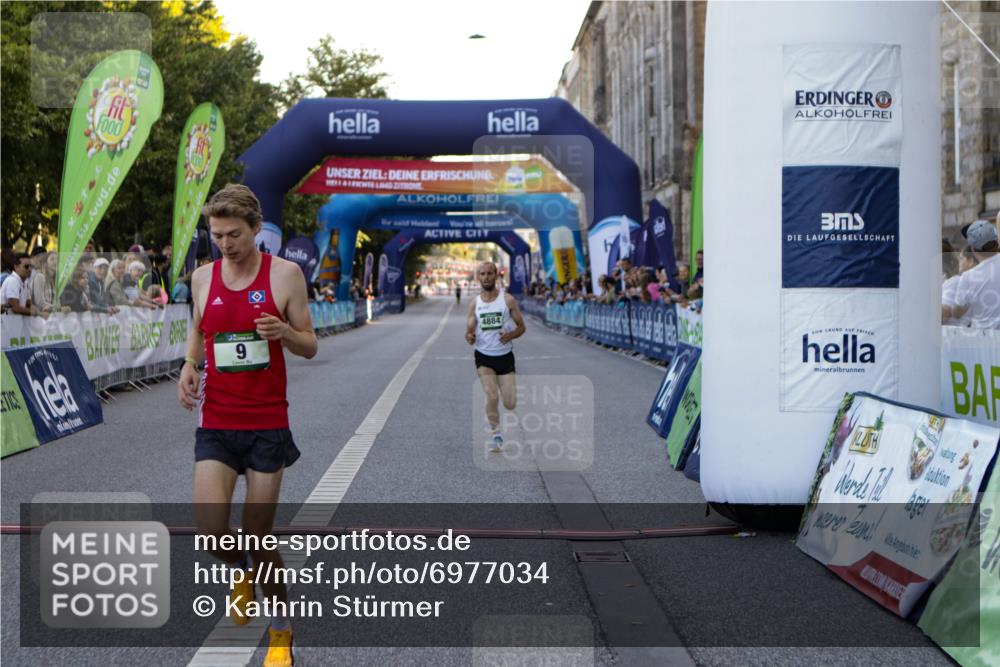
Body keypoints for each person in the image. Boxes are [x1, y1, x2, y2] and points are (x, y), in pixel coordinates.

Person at [177, 184, 316, 667]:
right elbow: (199, 326)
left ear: (257, 229)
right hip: (216, 420)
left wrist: (286, 334)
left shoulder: (286, 275)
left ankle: (280, 631)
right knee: (212, 532)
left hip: (266, 423)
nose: (225, 244)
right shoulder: (202, 277)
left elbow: (311, 344)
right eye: (217, 235)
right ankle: (243, 572)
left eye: (234, 234)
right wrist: (189, 363)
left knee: (259, 535)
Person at [465, 261, 526, 452]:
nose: (486, 277)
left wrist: (511, 335)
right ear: (478, 277)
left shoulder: (508, 300)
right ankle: (496, 434)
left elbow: (522, 327)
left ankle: (503, 406)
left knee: (509, 403)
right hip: (484, 356)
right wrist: (470, 337)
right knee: (491, 395)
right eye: (482, 274)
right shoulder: (475, 304)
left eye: (489, 273)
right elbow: (468, 333)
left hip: (505, 356)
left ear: (496, 276)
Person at [943, 220, 1000, 329]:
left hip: (983, 340)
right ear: (996, 242)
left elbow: (957, 313)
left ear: (973, 249)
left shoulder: (968, 277)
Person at [1, 252, 41, 316]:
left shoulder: (24, 282)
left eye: (31, 266)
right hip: (8, 324)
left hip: (16, 323)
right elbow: (16, 308)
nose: (30, 269)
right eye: (26, 266)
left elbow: (28, 302)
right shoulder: (12, 281)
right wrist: (38, 313)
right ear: (16, 267)